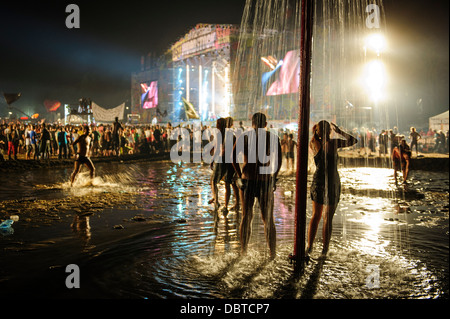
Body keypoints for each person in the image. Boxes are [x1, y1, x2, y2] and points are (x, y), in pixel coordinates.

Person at [232, 112, 282, 259]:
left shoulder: (245, 137)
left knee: (246, 217)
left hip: (248, 180)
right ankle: (272, 253)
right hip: (265, 181)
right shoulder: (272, 138)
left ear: (252, 122)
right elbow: (279, 159)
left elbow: (233, 157)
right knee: (268, 219)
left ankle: (244, 251)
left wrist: (239, 173)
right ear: (265, 124)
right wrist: (274, 176)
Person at [307, 120, 357, 257]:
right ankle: (324, 250)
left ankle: (309, 247)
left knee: (315, 216)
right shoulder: (332, 143)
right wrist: (340, 132)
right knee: (328, 218)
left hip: (318, 180)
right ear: (329, 131)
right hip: (332, 181)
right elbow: (353, 140)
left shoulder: (313, 142)